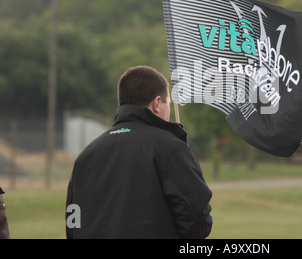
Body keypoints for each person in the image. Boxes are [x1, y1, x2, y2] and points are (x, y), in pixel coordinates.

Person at [66, 66, 212, 239]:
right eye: (169, 104)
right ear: (157, 103)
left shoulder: (86, 155)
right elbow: (196, 219)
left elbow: (73, 222)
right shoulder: (170, 147)